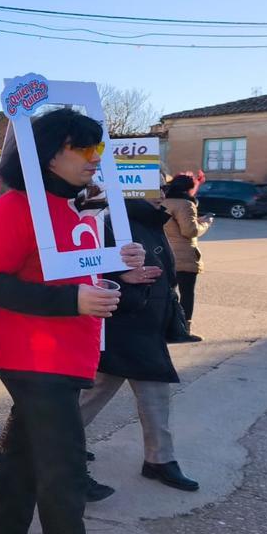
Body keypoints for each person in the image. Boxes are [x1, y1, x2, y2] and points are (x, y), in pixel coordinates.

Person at [0, 107, 147, 534]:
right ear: (52, 153)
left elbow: (71, 269)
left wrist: (119, 264)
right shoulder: (16, 206)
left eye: (100, 151)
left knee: (23, 463)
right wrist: (72, 299)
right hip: (32, 358)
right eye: (86, 150)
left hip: (64, 356)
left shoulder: (64, 209)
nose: (98, 160)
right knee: (64, 477)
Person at [81, 194, 199, 495]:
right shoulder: (111, 222)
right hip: (124, 324)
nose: (162, 196)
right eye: (156, 190)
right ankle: (50, 449)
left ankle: (159, 459)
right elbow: (89, 267)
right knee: (95, 392)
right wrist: (122, 276)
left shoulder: (150, 222)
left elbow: (165, 272)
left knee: (152, 393)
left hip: (147, 324)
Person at [162, 173, 211, 341]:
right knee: (187, 294)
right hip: (184, 257)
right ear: (189, 189)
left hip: (165, 255)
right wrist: (205, 223)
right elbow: (189, 231)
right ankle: (183, 330)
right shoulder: (186, 204)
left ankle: (167, 328)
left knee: (168, 294)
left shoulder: (163, 201)